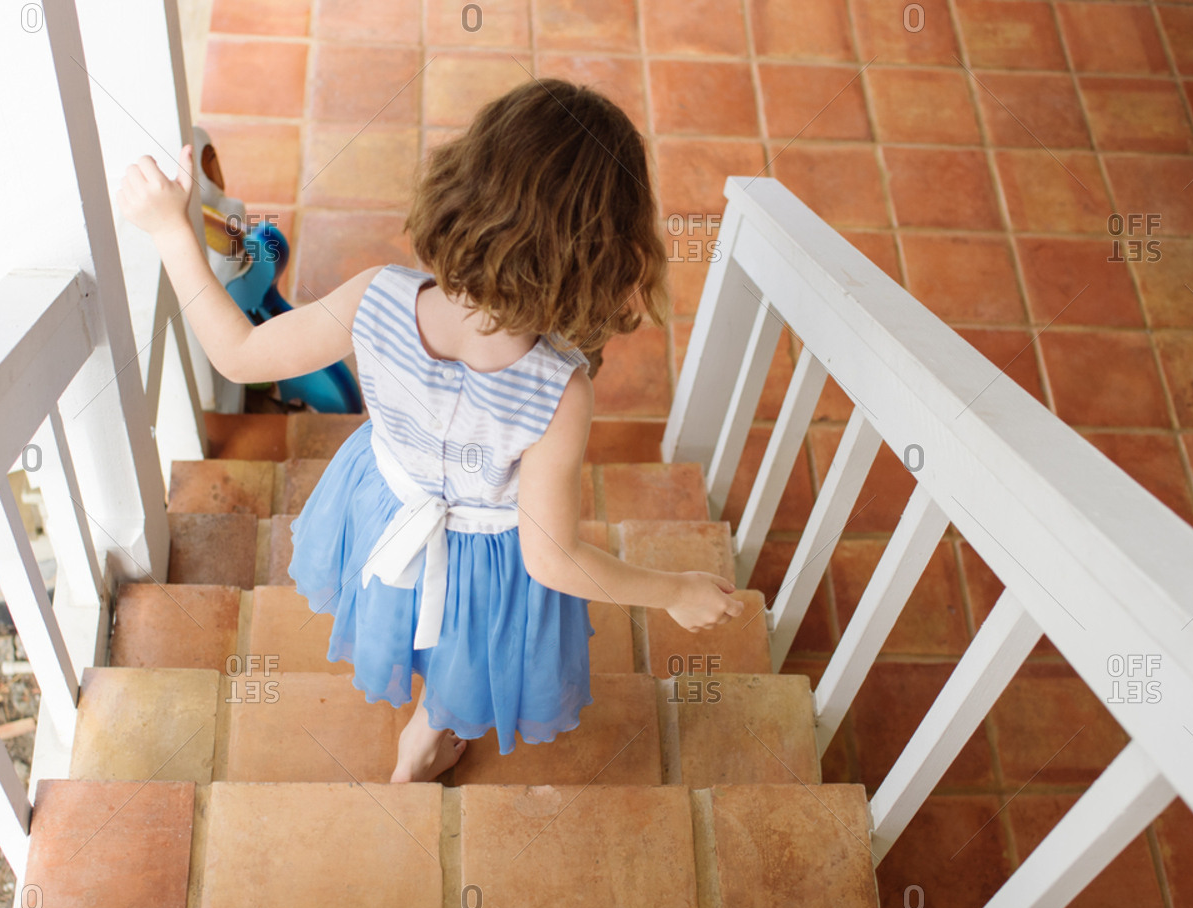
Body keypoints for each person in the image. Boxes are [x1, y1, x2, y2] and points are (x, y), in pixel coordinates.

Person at [118, 79, 741, 783]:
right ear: (601, 263)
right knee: (467, 649)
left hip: (382, 511)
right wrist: (673, 591)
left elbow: (236, 352)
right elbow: (551, 560)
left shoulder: (375, 296)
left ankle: (418, 731)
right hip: (487, 568)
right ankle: (426, 735)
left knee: (400, 611)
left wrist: (174, 231)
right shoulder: (561, 393)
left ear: (464, 185)